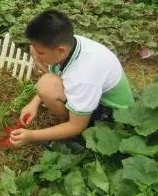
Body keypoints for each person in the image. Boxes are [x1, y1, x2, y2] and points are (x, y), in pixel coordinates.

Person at [10, 10, 134, 147]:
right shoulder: (69, 45)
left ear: (61, 50)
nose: (36, 57)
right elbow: (58, 76)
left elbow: (77, 126)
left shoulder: (83, 75)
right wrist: (34, 103)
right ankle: (68, 121)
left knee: (46, 86)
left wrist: (32, 135)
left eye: (41, 53)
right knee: (46, 84)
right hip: (94, 96)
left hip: (114, 116)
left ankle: (74, 135)